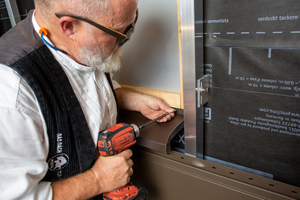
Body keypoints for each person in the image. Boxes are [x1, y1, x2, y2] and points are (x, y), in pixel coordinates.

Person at [0, 0, 175, 199]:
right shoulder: (11, 94)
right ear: (69, 27)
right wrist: (98, 180)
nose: (127, 38)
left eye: (132, 23)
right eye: (119, 32)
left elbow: (81, 89)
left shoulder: (79, 44)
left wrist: (130, 98)